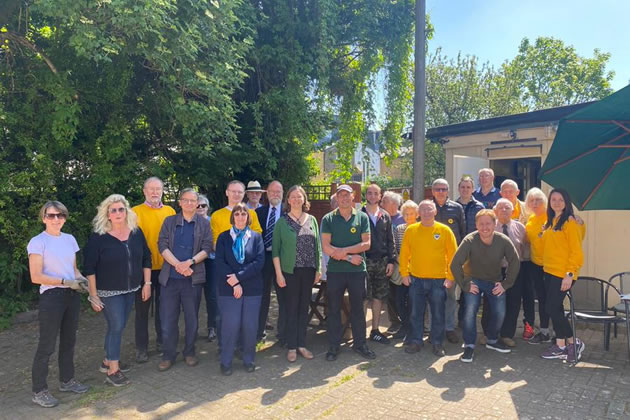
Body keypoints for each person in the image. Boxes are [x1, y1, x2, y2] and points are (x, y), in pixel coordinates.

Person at [84, 194, 152, 386]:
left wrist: (147, 283)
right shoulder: (99, 237)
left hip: (132, 289)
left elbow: (147, 258)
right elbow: (89, 268)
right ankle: (113, 371)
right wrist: (93, 295)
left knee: (118, 326)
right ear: (107, 214)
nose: (118, 213)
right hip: (108, 291)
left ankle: (107, 361)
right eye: (113, 210)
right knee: (117, 326)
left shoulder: (136, 232)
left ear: (126, 211)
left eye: (121, 209)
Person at [28, 201, 90, 407]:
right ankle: (39, 390)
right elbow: (36, 276)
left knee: (69, 341)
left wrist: (83, 281)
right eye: (51, 215)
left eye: (60, 215)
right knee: (46, 345)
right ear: (43, 217)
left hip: (71, 296)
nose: (56, 219)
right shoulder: (38, 242)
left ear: (65, 217)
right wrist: (65, 282)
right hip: (52, 297)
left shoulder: (69, 239)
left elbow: (73, 269)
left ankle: (67, 380)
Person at [451, 209, 520, 363]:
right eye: (481, 224)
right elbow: (455, 264)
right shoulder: (469, 240)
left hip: (494, 281)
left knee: (499, 312)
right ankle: (469, 345)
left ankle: (492, 340)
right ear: (476, 225)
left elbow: (515, 261)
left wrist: (506, 284)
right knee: (470, 311)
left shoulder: (503, 240)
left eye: (488, 223)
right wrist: (464, 284)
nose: (484, 227)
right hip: (473, 281)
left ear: (495, 224)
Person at [157, 188, 212, 371]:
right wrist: (178, 265)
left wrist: (190, 262)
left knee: (192, 319)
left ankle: (189, 352)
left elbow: (207, 247)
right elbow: (162, 245)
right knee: (167, 319)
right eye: (185, 200)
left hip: (192, 279)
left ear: (197, 203)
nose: (189, 203)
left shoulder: (204, 224)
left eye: (193, 200)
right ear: (179, 202)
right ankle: (168, 355)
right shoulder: (169, 221)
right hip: (170, 279)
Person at [321, 184, 376, 361]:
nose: (344, 198)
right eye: (340, 195)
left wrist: (343, 252)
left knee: (358, 309)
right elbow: (325, 246)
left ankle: (360, 344)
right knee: (334, 309)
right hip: (336, 271)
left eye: (347, 195)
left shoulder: (362, 217)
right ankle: (334, 345)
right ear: (336, 198)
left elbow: (366, 244)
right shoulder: (328, 218)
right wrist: (349, 257)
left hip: (357, 271)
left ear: (353, 197)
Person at [399, 200, 457, 356]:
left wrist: (450, 277)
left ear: (435, 212)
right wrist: (404, 274)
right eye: (423, 209)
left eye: (429, 209)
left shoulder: (444, 230)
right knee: (415, 313)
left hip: (438, 280)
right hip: (416, 280)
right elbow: (404, 254)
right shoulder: (411, 230)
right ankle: (416, 341)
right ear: (419, 213)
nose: (426, 212)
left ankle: (437, 343)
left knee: (438, 314)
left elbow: (453, 256)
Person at [272, 186, 322, 362]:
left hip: (308, 271)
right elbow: (275, 251)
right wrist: (279, 274)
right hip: (289, 271)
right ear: (288, 200)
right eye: (292, 197)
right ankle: (291, 346)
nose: (296, 199)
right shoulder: (282, 222)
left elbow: (318, 247)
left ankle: (302, 344)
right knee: (291, 308)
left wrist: (318, 269)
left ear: (304, 199)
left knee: (303, 308)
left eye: (299, 196)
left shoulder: (312, 220)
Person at [215, 203, 265, 375]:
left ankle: (249, 359)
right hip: (229, 289)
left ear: (248, 217)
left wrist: (239, 277)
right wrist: (234, 283)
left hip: (252, 289)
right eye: (237, 214)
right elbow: (220, 262)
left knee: (250, 326)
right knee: (230, 326)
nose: (241, 217)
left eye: (244, 213)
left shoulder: (256, 237)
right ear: (233, 217)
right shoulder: (223, 238)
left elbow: (259, 262)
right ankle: (226, 361)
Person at [132, 176, 176, 362]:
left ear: (163, 191)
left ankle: (161, 341)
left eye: (158, 189)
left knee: (163, 308)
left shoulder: (170, 211)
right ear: (144, 191)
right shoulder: (134, 212)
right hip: (144, 270)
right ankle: (141, 348)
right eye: (151, 189)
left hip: (166, 268)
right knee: (142, 310)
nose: (155, 192)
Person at [540, 188, 585, 363]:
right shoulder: (552, 221)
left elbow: (576, 250)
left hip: (563, 273)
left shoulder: (570, 222)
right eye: (553, 199)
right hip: (549, 272)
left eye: (560, 199)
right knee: (556, 308)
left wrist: (569, 274)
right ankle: (560, 346)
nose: (557, 202)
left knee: (551, 308)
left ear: (567, 202)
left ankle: (574, 342)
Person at [431, 178, 465, 344]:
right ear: (432, 191)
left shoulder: (457, 208)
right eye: (437, 189)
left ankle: (449, 328)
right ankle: (433, 329)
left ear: (448, 191)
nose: (441, 192)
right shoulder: (426, 208)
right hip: (431, 261)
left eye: (444, 189)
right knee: (432, 297)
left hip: (451, 262)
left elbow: (463, 233)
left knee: (450, 296)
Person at [362, 184, 396, 345]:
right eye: (370, 193)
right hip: (364, 262)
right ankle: (360, 331)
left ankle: (375, 330)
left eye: (376, 193)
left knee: (378, 298)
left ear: (380, 196)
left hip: (382, 262)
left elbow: (391, 241)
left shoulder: (385, 216)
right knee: (363, 297)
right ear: (366, 195)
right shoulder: (358, 215)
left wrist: (391, 261)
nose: (373, 196)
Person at [492, 199, 527, 348]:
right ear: (495, 211)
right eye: (501, 208)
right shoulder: (490, 227)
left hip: (514, 270)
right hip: (494, 271)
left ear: (513, 212)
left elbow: (523, 248)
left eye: (507, 208)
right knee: (492, 302)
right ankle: (490, 334)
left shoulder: (520, 227)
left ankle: (507, 334)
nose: (504, 210)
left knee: (513, 302)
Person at [255, 180, 285, 343]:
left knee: (283, 297)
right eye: (272, 191)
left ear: (282, 193)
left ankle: (282, 334)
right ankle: (259, 333)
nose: (275, 194)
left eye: (278, 192)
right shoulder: (259, 212)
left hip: (282, 259)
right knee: (263, 296)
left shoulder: (288, 213)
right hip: (264, 259)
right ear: (267, 193)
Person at [392, 200, 419, 341]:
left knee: (414, 301)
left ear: (417, 214)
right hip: (401, 270)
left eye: (412, 214)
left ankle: (413, 329)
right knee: (399, 300)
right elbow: (396, 247)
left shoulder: (420, 228)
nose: (409, 216)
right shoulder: (399, 228)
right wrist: (402, 263)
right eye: (406, 214)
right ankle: (405, 325)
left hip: (416, 270)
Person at [380, 190, 404, 335]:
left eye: (384, 201)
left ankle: (407, 321)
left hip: (404, 263)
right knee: (390, 294)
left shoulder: (405, 217)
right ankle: (395, 322)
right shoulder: (381, 217)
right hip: (389, 262)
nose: (381, 203)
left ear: (394, 204)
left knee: (404, 295)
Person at [211, 181, 262, 247]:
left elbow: (257, 236)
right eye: (233, 191)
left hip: (248, 254)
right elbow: (215, 241)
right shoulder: (216, 215)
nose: (236, 194)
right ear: (227, 192)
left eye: (240, 192)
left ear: (244, 194)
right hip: (225, 255)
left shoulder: (251, 213)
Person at [197, 194, 217, 342]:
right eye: (197, 205)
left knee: (212, 296)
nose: (200, 208)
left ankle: (212, 327)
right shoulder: (189, 223)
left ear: (207, 208)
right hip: (194, 263)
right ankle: (193, 329)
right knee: (193, 298)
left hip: (211, 262)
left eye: (203, 205)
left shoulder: (213, 222)